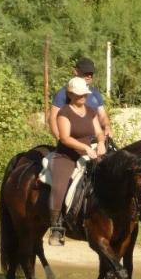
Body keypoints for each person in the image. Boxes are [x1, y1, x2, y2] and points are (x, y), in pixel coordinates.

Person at [48, 76, 107, 246]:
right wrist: (85, 148)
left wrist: (101, 142)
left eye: (85, 95)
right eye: (80, 95)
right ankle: (56, 227)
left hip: (89, 154)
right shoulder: (64, 112)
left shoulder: (90, 111)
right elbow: (65, 138)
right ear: (71, 94)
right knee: (59, 186)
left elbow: (99, 132)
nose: (83, 97)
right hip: (67, 156)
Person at [49, 57, 112, 140]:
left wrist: (107, 126)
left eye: (91, 73)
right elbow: (52, 118)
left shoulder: (95, 93)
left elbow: (103, 116)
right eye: (86, 73)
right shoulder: (64, 93)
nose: (89, 76)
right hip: (73, 142)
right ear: (75, 72)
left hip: (97, 140)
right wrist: (60, 140)